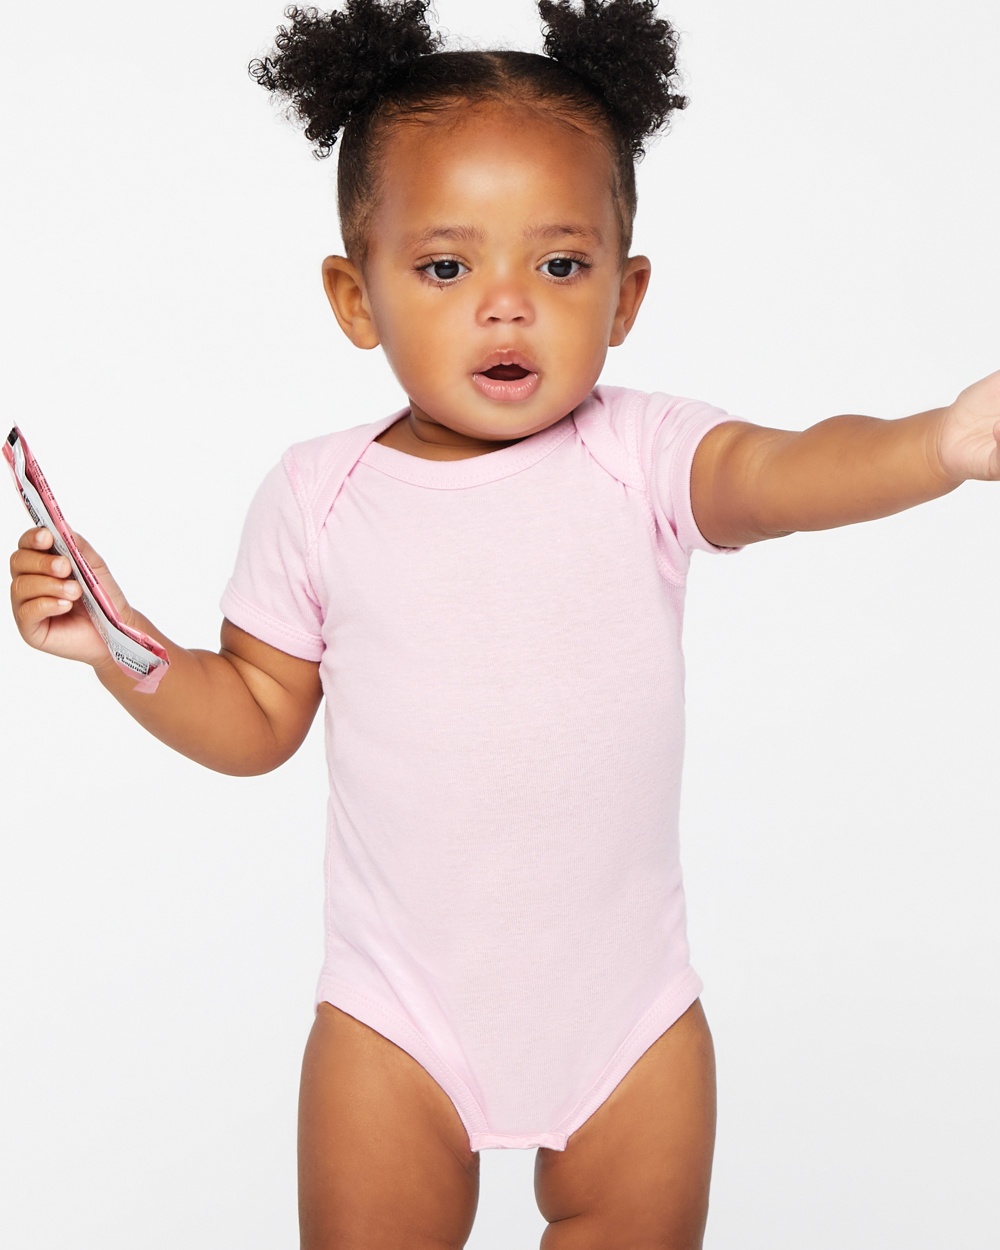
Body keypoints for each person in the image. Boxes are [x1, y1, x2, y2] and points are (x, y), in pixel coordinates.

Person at [8, 1, 999, 1246]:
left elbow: (782, 472)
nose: (506, 306)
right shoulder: (319, 495)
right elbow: (256, 716)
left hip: (629, 1022)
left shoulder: (644, 453)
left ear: (626, 293)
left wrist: (939, 442)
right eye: (445, 267)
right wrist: (121, 645)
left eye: (560, 266)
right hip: (395, 1022)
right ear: (355, 294)